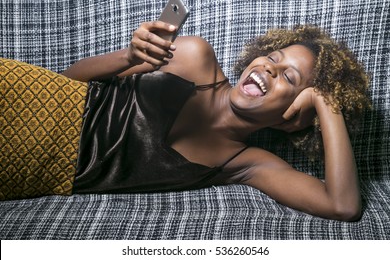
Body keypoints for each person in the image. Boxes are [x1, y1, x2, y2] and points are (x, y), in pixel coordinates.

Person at [0, 21, 370, 221]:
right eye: (273, 56)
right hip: (31, 100)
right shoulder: (195, 56)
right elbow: (66, 82)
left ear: (293, 121)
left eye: (290, 79)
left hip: (42, 171)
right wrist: (128, 56)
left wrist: (325, 102)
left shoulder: (247, 165)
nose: (271, 67)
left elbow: (343, 206)